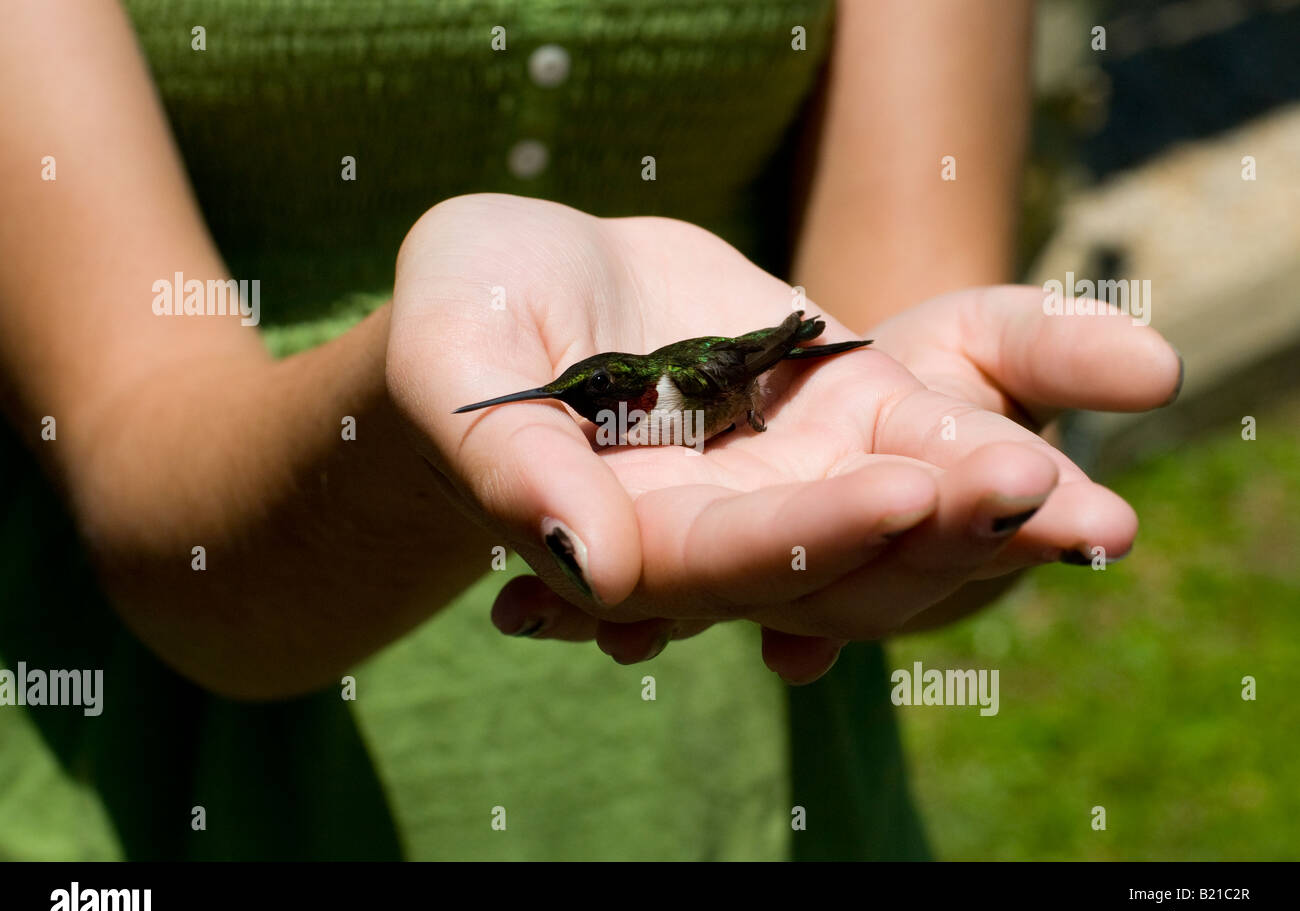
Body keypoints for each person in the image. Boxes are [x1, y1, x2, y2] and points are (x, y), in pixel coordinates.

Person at [0, 0, 1179, 859]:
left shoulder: (700, 383)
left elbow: (876, 381)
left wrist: (948, 457)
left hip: (759, 783)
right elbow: (149, 472)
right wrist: (425, 415)